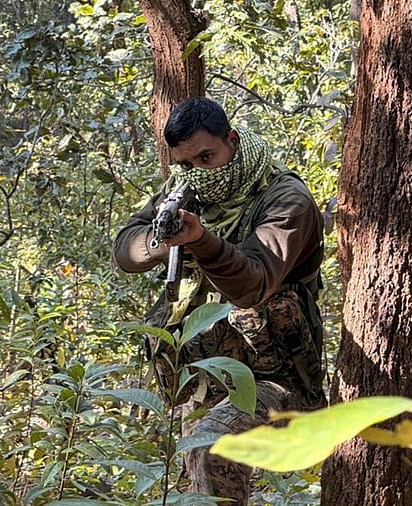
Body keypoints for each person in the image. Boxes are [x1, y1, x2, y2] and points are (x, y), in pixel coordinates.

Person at [112, 97, 327, 504]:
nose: (197, 172)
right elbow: (126, 249)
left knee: (212, 449)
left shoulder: (286, 199)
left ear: (231, 139)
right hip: (204, 375)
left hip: (275, 376)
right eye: (187, 164)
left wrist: (200, 242)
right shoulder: (184, 193)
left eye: (207, 157)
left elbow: (253, 284)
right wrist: (162, 242)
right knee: (197, 482)